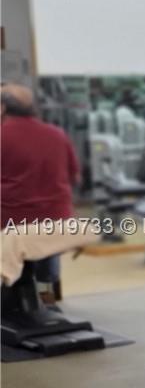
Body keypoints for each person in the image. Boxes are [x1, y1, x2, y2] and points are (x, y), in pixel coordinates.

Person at [1, 83, 81, 287]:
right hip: (56, 219)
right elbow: (75, 177)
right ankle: (47, 293)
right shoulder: (57, 134)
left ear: (2, 108)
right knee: (47, 247)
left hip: (12, 222)